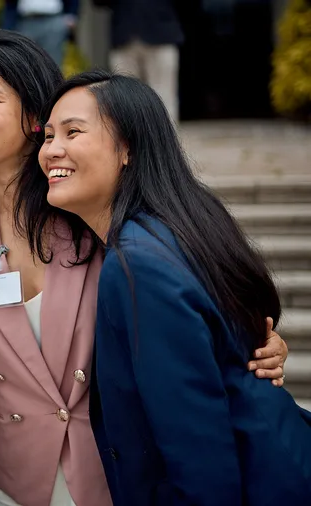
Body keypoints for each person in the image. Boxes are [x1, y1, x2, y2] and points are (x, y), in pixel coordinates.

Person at [0, 30, 289, 506]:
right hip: (10, 476)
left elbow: (181, 315)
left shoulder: (90, 210)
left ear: (35, 115)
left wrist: (253, 345)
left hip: (111, 472)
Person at [38, 69, 311, 504]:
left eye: (73, 132)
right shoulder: (177, 222)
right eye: (48, 135)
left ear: (127, 147)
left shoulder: (138, 264)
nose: (52, 150)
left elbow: (196, 445)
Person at [94, 0, 183, 122]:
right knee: (124, 98)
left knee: (163, 96)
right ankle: (130, 139)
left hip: (161, 32)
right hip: (124, 34)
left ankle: (165, 139)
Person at [0, 0, 79, 65]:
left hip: (53, 20)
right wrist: (7, 28)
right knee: (24, 63)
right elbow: (10, 5)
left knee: (53, 63)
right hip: (26, 21)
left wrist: (71, 14)